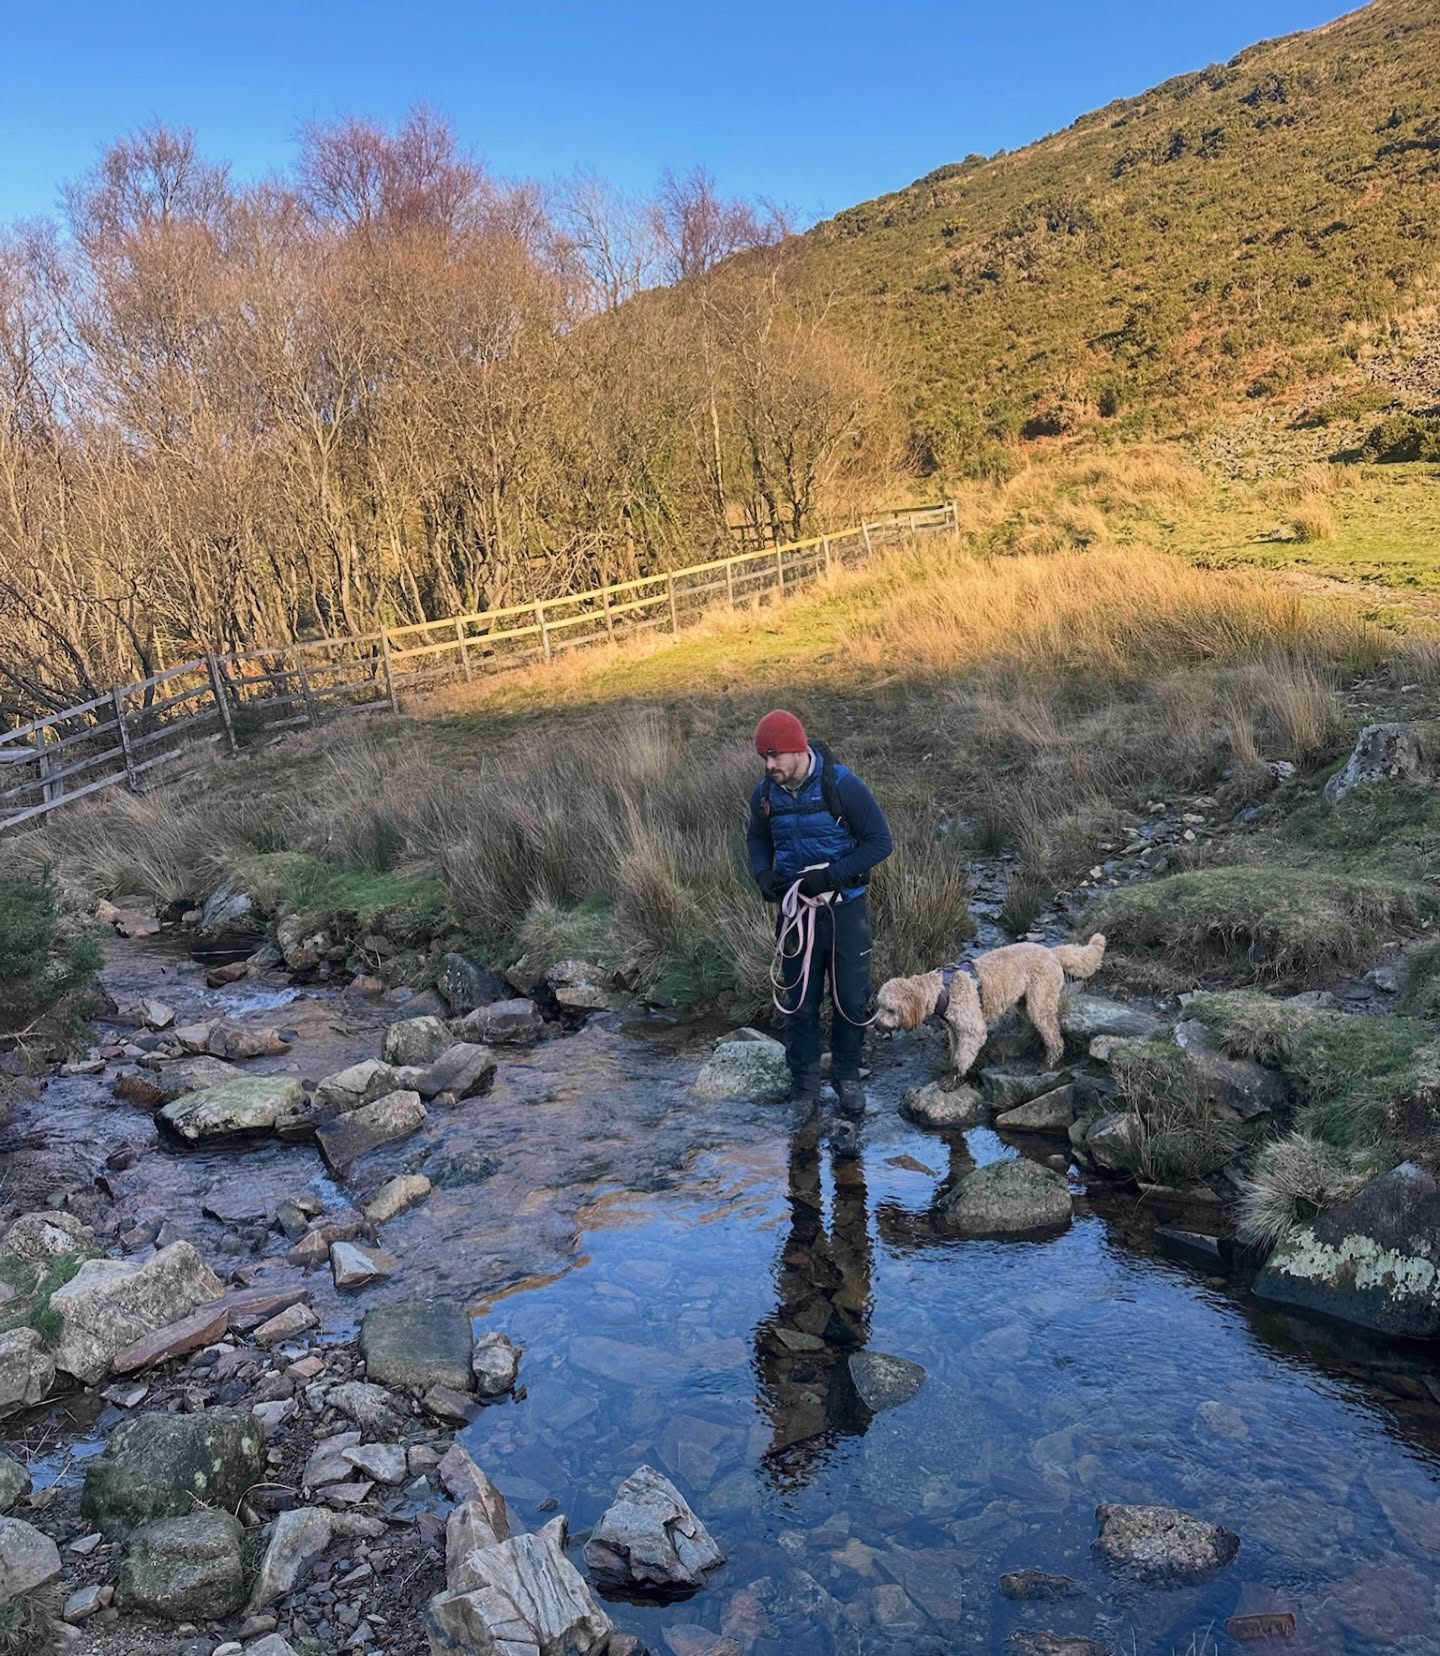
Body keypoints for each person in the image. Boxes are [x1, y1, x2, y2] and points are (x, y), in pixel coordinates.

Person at [746, 709, 893, 1128]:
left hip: (845, 911)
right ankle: (805, 1089)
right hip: (795, 917)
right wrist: (763, 875)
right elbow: (756, 837)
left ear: (798, 748)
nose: (769, 765)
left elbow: (881, 842)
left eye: (775, 756)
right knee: (800, 1004)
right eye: (764, 757)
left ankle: (847, 1077)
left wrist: (831, 875)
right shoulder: (765, 795)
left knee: (850, 1000)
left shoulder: (841, 786)